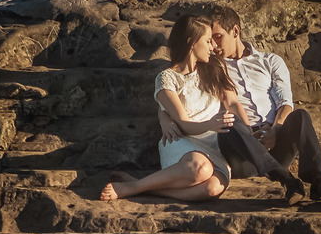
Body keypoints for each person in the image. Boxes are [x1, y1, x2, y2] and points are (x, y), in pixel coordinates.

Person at [161, 5, 321, 203]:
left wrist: (276, 130)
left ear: (235, 31)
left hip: (275, 139)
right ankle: (287, 181)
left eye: (218, 37)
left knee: (301, 116)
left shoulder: (270, 61)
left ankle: (318, 180)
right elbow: (181, 90)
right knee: (230, 123)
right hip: (241, 149)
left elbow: (285, 102)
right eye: (209, 40)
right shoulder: (212, 66)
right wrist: (164, 118)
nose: (213, 45)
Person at [99, 14, 245, 202]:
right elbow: (183, 124)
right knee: (201, 169)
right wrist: (209, 124)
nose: (213, 47)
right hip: (182, 142)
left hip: (214, 145)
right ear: (191, 42)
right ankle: (132, 187)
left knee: (212, 189)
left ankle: (141, 187)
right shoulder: (166, 78)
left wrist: (249, 133)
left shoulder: (215, 67)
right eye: (208, 41)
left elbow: (232, 103)